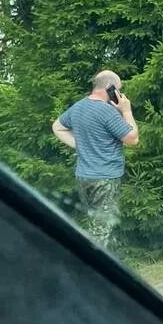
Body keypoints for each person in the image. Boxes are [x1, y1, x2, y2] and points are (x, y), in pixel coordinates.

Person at [52, 70, 140, 249]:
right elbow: (132, 139)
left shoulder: (78, 107)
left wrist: (80, 145)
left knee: (96, 224)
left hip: (83, 177)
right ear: (110, 88)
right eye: (118, 90)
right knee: (102, 231)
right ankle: (95, 269)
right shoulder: (106, 112)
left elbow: (57, 127)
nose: (119, 95)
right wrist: (126, 110)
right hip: (105, 178)